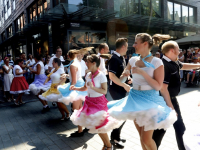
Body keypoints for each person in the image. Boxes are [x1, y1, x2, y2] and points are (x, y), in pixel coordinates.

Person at [108, 33, 177, 150]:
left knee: (146, 139)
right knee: (141, 138)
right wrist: (124, 76)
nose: (134, 45)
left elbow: (158, 86)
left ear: (145, 44)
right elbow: (122, 79)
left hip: (150, 100)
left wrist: (142, 72)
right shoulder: (133, 59)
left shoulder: (157, 62)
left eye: (136, 42)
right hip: (134, 99)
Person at [153, 41, 200, 150]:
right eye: (178, 49)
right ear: (172, 50)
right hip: (165, 101)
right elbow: (163, 88)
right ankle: (152, 147)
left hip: (172, 100)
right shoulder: (163, 65)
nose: (180, 51)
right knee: (161, 130)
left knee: (179, 127)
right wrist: (171, 107)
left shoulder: (174, 61)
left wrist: (198, 65)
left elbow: (183, 66)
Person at [70, 54, 121, 150]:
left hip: (99, 103)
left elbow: (104, 91)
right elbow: (85, 88)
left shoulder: (101, 75)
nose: (86, 63)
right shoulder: (88, 75)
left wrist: (93, 87)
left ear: (94, 63)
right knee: (96, 127)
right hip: (89, 102)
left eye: (87, 62)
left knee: (100, 126)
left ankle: (108, 146)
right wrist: (75, 88)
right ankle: (106, 145)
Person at [57, 49, 88, 137]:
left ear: (68, 56)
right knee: (80, 109)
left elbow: (73, 81)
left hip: (76, 87)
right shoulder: (77, 63)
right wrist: (67, 75)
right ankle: (81, 129)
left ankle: (80, 130)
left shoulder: (72, 65)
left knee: (76, 110)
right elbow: (77, 76)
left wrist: (70, 89)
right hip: (80, 85)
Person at [108, 38, 129, 148]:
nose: (128, 48)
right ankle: (114, 138)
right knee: (122, 115)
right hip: (116, 90)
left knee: (122, 115)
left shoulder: (121, 58)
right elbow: (111, 76)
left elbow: (121, 75)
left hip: (120, 88)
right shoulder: (114, 58)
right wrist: (124, 85)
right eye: (127, 46)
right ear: (123, 47)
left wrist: (127, 79)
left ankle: (117, 136)